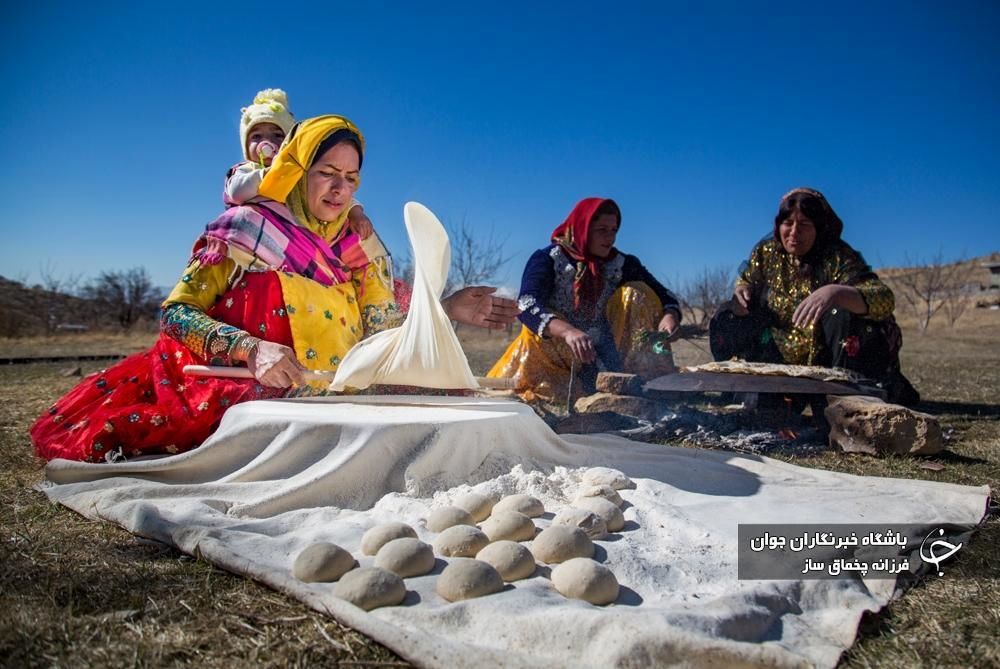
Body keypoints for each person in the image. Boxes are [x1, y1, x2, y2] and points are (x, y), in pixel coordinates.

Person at [31, 115, 516, 463]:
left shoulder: (363, 247)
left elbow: (381, 334)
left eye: (351, 178)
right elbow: (176, 314)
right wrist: (251, 349)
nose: (339, 189)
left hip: (328, 390)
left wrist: (442, 309)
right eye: (326, 173)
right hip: (234, 381)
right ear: (298, 170)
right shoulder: (246, 227)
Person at [709, 187, 919, 405]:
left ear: (819, 227)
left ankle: (844, 397)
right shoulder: (767, 252)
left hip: (827, 356)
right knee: (727, 315)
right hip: (778, 351)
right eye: (788, 223)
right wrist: (742, 292)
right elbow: (747, 279)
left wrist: (835, 292)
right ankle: (746, 390)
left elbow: (884, 298)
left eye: (805, 225)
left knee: (841, 312)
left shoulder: (838, 256)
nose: (794, 233)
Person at [487, 197, 682, 400]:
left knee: (637, 291)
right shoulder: (548, 259)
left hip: (607, 353)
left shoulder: (622, 263)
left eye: (614, 230)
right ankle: (559, 390)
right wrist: (568, 331)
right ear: (583, 228)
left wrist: (670, 315)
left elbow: (664, 295)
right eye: (602, 230)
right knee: (534, 328)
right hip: (556, 356)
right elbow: (526, 304)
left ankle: (644, 381)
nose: (610, 238)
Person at [223, 88, 374, 239]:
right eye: (256, 136)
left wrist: (356, 213)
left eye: (277, 135)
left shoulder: (298, 174)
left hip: (292, 235)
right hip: (260, 233)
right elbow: (236, 192)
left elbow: (343, 198)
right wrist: (268, 174)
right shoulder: (248, 170)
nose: (267, 142)